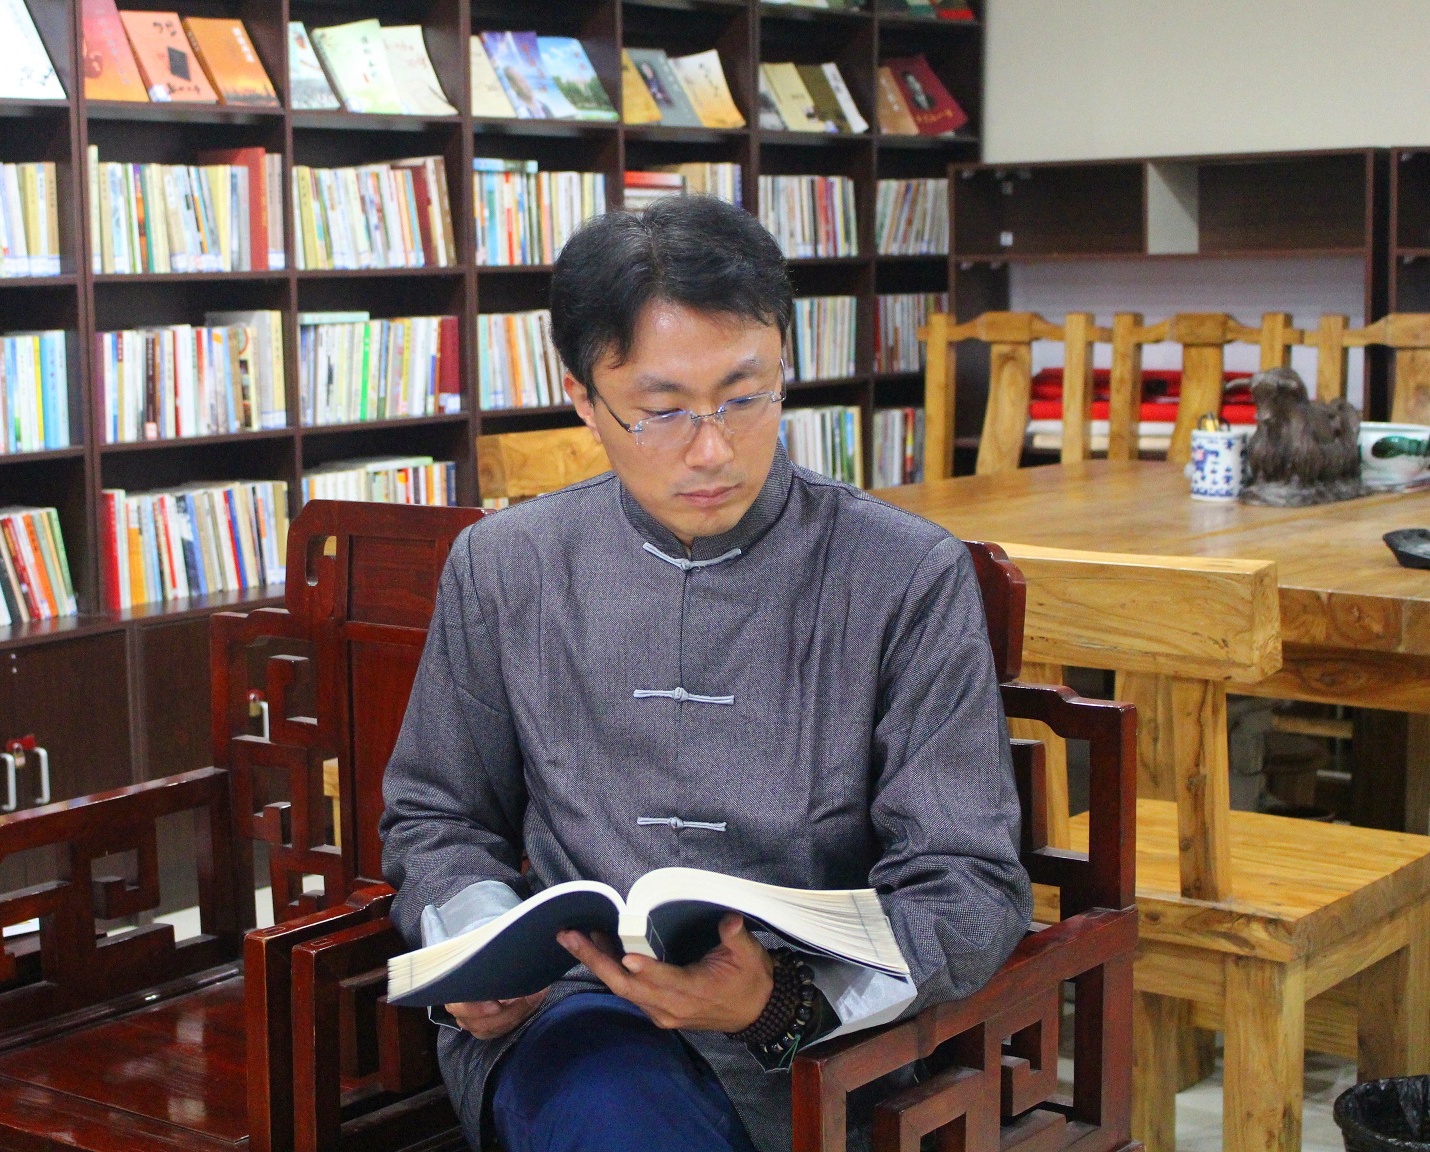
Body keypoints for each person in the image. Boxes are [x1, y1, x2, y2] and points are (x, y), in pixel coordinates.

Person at [380, 196, 1033, 1152]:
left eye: (745, 395)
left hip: (815, 1043)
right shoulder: (508, 566)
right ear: (582, 398)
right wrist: (480, 951)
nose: (713, 449)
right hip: (575, 1018)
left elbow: (968, 880)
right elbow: (436, 814)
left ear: (785, 366)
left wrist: (782, 998)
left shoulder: (903, 574)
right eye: (662, 412)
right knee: (616, 1114)